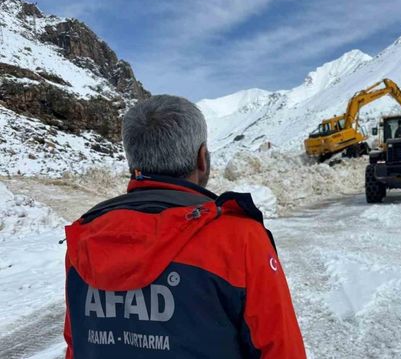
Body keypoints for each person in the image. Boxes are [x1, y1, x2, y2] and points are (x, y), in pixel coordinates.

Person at [62, 95, 306, 359]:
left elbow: (76, 344)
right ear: (203, 158)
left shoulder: (86, 236)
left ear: (132, 162)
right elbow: (282, 349)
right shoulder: (239, 238)